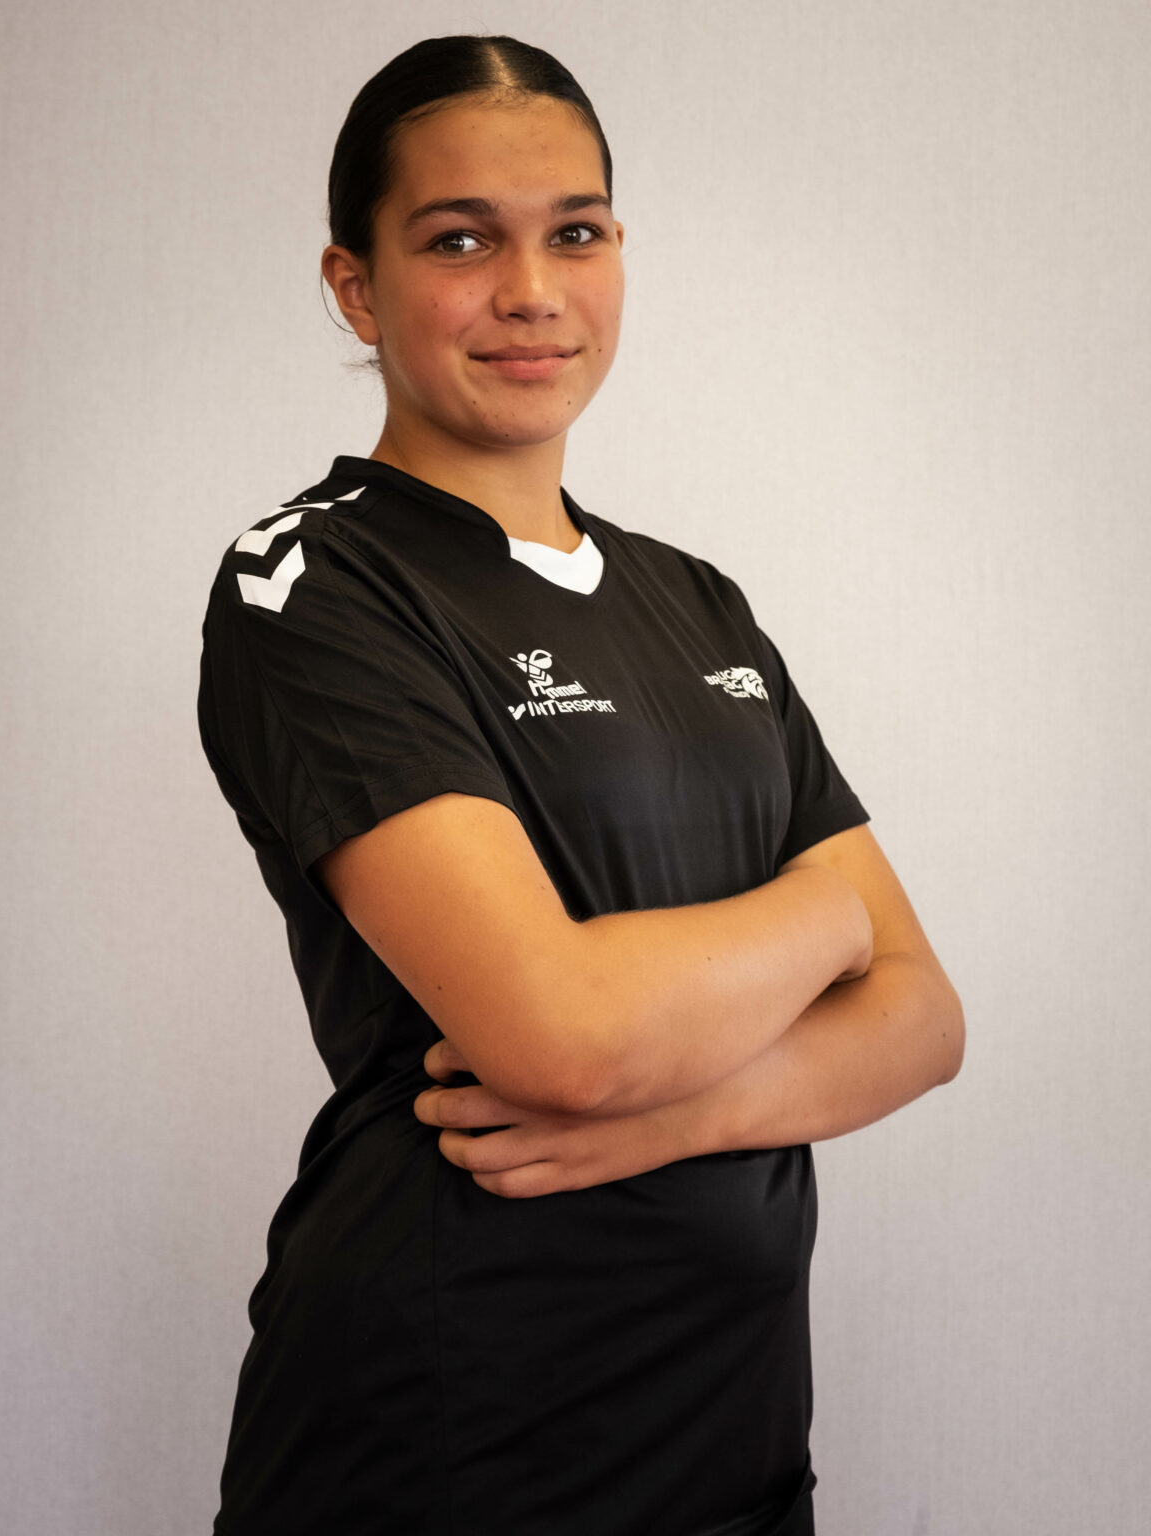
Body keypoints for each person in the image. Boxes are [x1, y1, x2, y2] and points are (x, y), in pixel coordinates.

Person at [196, 32, 964, 1536]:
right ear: (356, 286)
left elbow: (925, 1020)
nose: (532, 290)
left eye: (577, 233)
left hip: (736, 1442)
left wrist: (669, 1118)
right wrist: (826, 920)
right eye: (459, 239)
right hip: (452, 1447)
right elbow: (564, 1036)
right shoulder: (319, 583)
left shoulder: (698, 601)